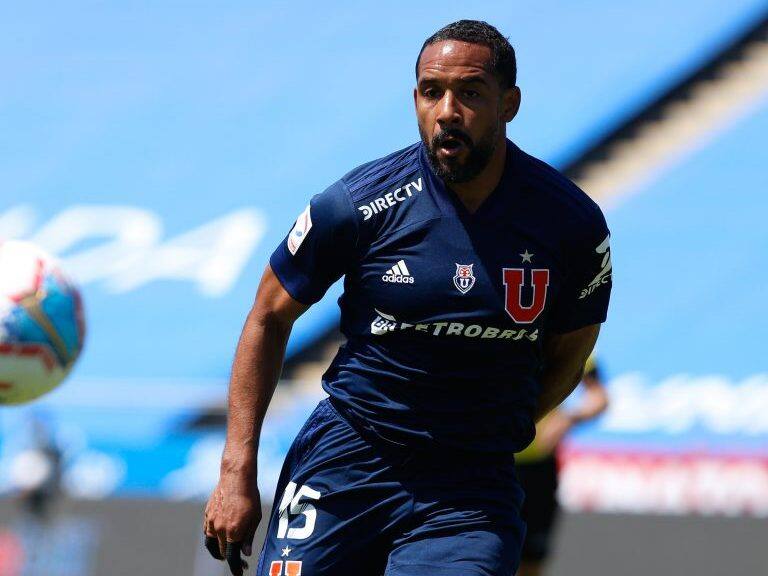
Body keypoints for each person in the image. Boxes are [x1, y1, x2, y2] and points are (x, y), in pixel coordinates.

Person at [203, 19, 613, 576]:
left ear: (509, 104)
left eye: (470, 93)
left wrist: (492, 428)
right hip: (345, 461)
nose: (447, 111)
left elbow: (571, 353)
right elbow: (268, 315)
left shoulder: (570, 225)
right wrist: (236, 470)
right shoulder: (357, 204)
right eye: (431, 91)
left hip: (469, 490)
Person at [515, 355, 609, 576]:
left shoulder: (565, 341)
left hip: (538, 468)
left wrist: (568, 418)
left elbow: (599, 397)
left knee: (532, 558)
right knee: (483, 551)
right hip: (488, 461)